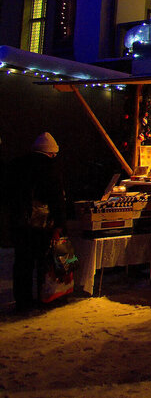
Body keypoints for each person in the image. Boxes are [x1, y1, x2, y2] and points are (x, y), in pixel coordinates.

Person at [9, 132, 65, 313]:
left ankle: (23, 301)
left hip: (20, 223)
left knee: (22, 263)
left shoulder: (16, 166)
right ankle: (45, 297)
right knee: (44, 262)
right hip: (41, 225)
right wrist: (59, 225)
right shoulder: (50, 170)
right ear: (50, 153)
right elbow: (57, 200)